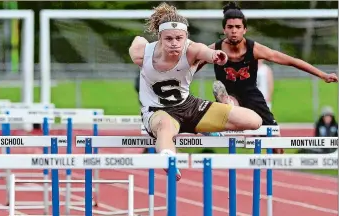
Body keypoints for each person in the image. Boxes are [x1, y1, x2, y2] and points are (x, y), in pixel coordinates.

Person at [129, 2, 262, 181]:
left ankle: (221, 110)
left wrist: (217, 57)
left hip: (189, 106)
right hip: (158, 112)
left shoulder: (191, 49)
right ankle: (169, 159)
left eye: (179, 38)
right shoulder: (142, 53)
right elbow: (138, 41)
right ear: (160, 38)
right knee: (165, 128)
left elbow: (206, 52)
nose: (175, 44)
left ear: (186, 37)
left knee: (254, 120)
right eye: (169, 39)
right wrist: (140, 43)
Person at [197, 1, 337, 154]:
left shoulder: (255, 49)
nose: (234, 31)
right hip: (228, 91)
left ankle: (274, 166)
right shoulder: (214, 50)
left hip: (252, 94)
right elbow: (192, 67)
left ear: (245, 29)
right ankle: (226, 105)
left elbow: (291, 61)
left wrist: (322, 75)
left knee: (277, 145)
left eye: (238, 27)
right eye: (230, 27)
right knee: (231, 105)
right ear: (224, 30)